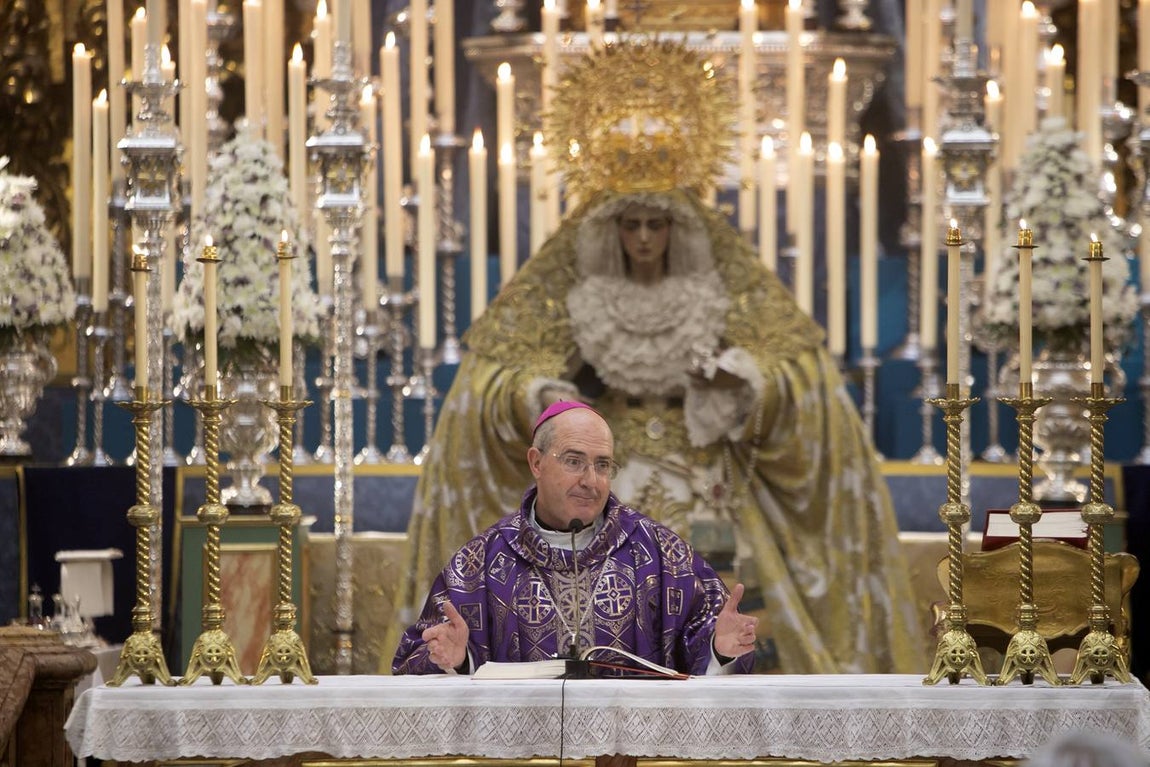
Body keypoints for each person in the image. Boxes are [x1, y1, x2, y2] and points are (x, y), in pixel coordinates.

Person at [384, 40, 923, 675]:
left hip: (705, 483)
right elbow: (502, 371)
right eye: (630, 224)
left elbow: (793, 376)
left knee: (720, 605)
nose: (643, 238)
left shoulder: (715, 283)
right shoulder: (577, 286)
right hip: (604, 474)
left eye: (656, 224)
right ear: (612, 227)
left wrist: (740, 384)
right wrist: (538, 393)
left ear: (676, 226)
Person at [392, 401, 758, 675]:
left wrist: (719, 648)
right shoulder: (479, 563)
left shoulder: (663, 554)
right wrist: (454, 660)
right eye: (573, 461)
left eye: (602, 465)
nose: (590, 480)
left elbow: (708, 643)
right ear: (536, 463)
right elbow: (414, 660)